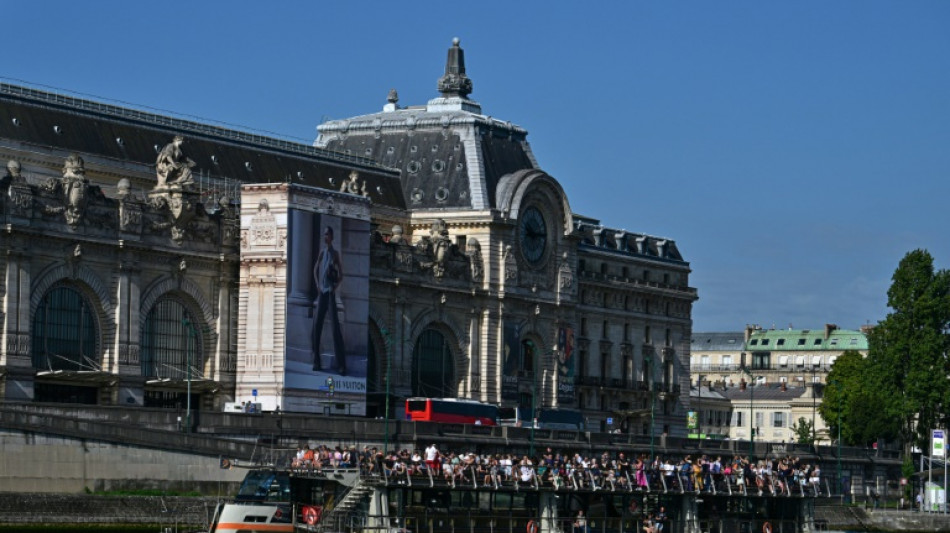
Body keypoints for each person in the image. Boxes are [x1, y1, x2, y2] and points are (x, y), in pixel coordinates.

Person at [312, 226, 346, 374]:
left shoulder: (335, 254)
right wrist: (317, 285)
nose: (324, 237)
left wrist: (335, 287)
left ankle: (341, 365)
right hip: (322, 294)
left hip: (330, 294)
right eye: (324, 234)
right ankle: (316, 362)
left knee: (335, 329)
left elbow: (341, 275)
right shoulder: (322, 252)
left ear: (331, 236)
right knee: (316, 327)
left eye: (327, 234)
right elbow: (315, 269)